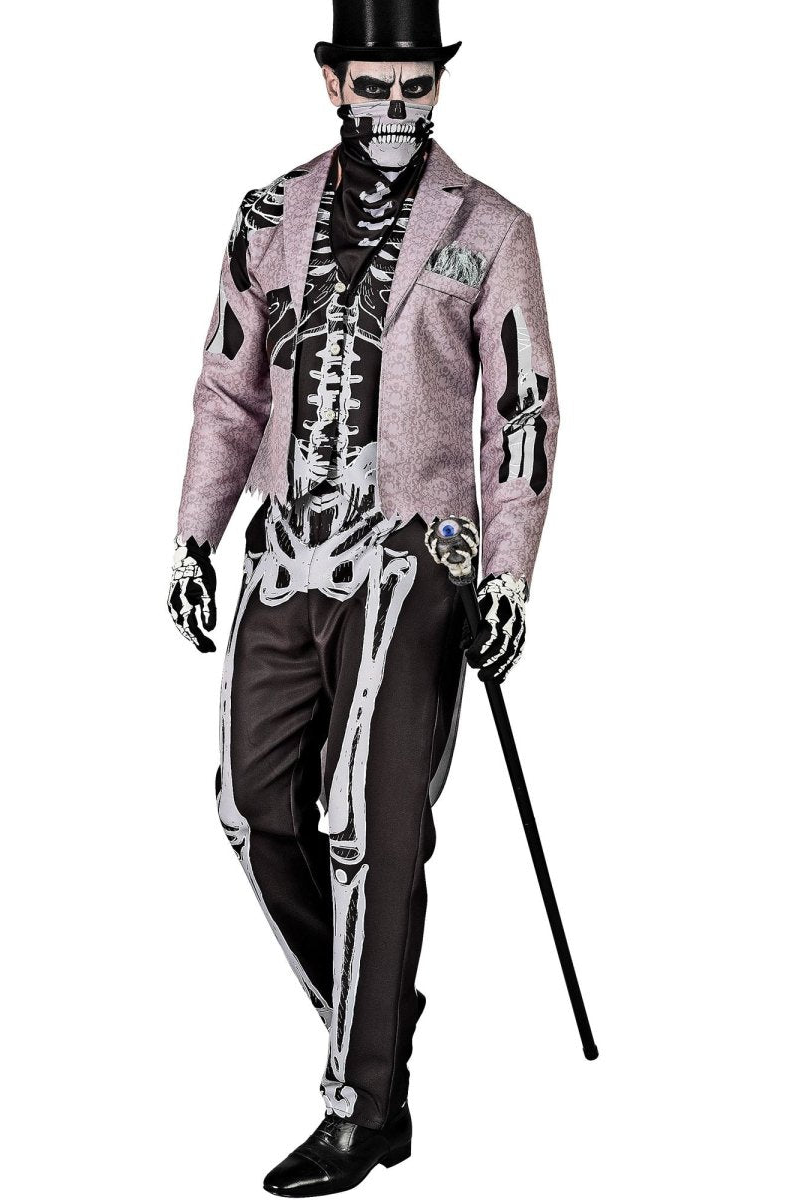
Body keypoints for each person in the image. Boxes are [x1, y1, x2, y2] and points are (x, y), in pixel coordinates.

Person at [169, 0, 559, 1192]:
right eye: (374, 86)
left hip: (415, 549)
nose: (396, 109)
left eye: (417, 87)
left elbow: (522, 411)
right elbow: (228, 391)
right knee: (252, 807)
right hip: (287, 545)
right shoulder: (268, 214)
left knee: (366, 819)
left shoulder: (490, 228)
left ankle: (364, 1104)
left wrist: (508, 574)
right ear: (332, 82)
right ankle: (378, 1005)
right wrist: (194, 538)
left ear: (437, 86)